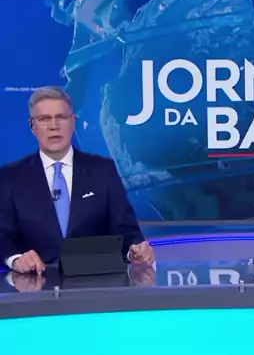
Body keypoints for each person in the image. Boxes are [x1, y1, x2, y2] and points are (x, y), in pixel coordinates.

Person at [0, 87, 155, 274]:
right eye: (44, 119)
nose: (54, 126)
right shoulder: (10, 177)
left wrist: (134, 251)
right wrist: (16, 259)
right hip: (34, 283)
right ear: (32, 126)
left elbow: (125, 229)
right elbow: (2, 235)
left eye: (61, 117)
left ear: (73, 122)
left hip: (94, 283)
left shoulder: (103, 171)